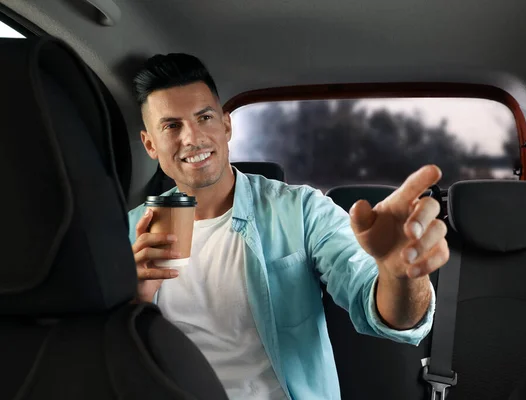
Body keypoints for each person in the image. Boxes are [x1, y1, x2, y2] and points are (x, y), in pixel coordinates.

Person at [127, 53, 449, 400]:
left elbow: (389, 315)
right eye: (171, 125)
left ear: (226, 125)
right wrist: (134, 299)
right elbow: (105, 353)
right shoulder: (130, 231)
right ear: (149, 144)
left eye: (204, 117)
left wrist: (400, 274)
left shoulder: (300, 209)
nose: (192, 137)